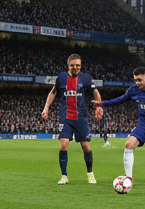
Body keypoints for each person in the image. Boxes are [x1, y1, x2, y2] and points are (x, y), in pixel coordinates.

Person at [42, 53, 103, 184]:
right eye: (72, 65)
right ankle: (64, 176)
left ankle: (90, 173)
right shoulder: (61, 78)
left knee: (86, 146)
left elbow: (95, 92)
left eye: (78, 65)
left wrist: (99, 106)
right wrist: (46, 108)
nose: (75, 67)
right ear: (68, 65)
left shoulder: (86, 78)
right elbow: (53, 92)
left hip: (81, 117)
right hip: (65, 117)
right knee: (63, 145)